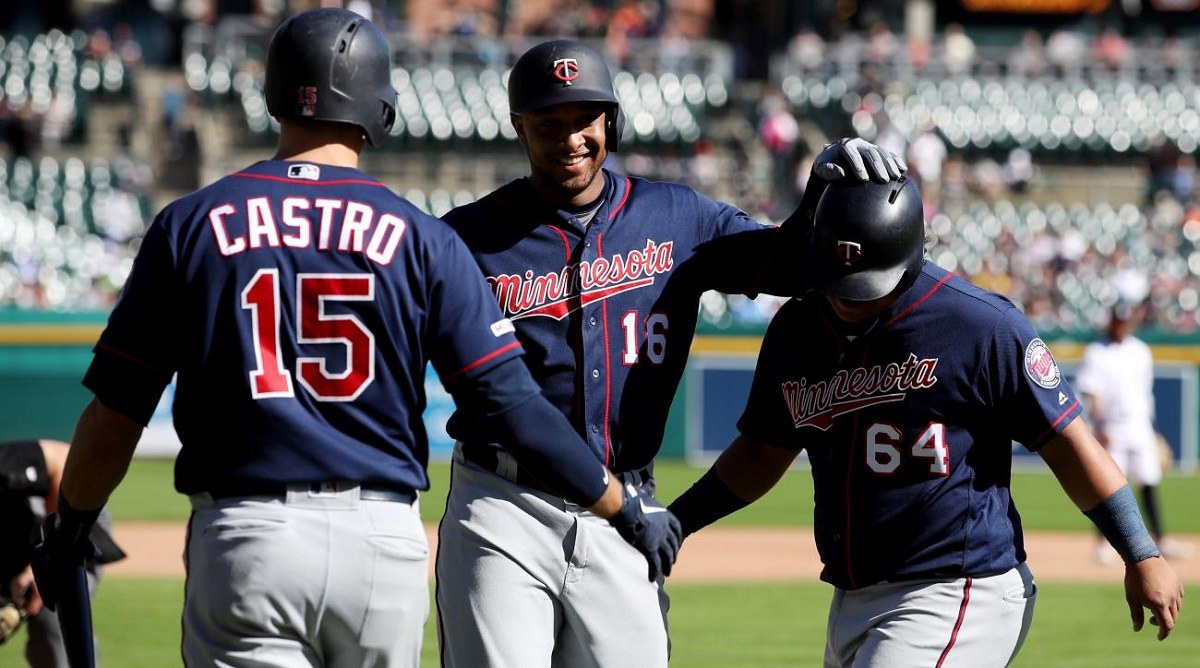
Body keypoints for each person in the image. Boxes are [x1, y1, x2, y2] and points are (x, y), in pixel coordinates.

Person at [29, 10, 682, 668]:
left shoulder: (191, 225)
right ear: (381, 106)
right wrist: (620, 503)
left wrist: (73, 524)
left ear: (274, 96)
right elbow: (509, 403)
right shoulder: (425, 239)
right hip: (380, 542)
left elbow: (116, 415)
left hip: (246, 532)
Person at [435, 37, 907, 667]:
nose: (570, 138)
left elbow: (789, 267)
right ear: (520, 128)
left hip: (626, 505)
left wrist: (819, 200)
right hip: (502, 504)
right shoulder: (468, 236)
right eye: (549, 123)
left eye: (585, 120)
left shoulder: (676, 215)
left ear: (612, 122)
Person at [667, 176, 1185, 666]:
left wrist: (1140, 552)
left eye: (864, 283)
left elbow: (1069, 444)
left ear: (911, 256)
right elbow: (762, 452)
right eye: (835, 279)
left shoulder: (979, 325)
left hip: (957, 588)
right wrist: (676, 522)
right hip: (852, 594)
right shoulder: (797, 330)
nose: (848, 298)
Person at [1076, 300, 1192, 564]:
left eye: (1124, 320)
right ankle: (1103, 543)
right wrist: (1099, 426)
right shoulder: (1097, 351)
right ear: (1111, 321)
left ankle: (1161, 539)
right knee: (1108, 487)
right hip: (1112, 427)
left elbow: (1144, 394)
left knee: (1149, 481)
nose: (1120, 325)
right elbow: (1092, 392)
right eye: (1117, 320)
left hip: (1140, 426)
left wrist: (1153, 431)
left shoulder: (1140, 351)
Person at [0, 439, 124, 667]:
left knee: (54, 619)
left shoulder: (6, 463)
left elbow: (62, 459)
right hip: (15, 547)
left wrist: (52, 552)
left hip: (69, 521)